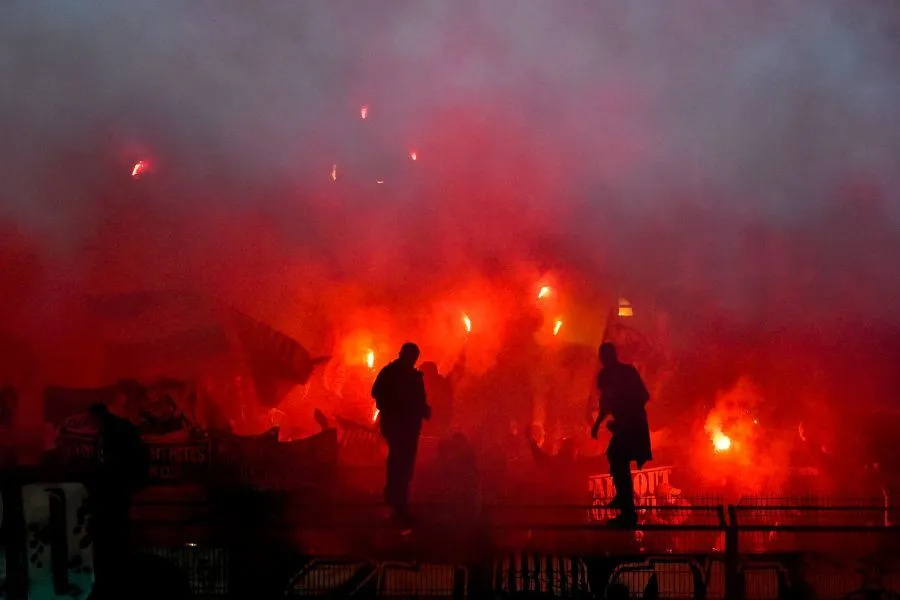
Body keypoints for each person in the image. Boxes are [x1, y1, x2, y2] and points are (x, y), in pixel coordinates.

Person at [87, 402, 149, 597]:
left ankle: (115, 563)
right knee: (118, 526)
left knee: (115, 527)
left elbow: (114, 460)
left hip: (118, 485)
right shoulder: (117, 427)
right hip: (121, 485)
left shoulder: (114, 430)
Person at [591, 342, 651, 527]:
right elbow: (607, 402)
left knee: (617, 456)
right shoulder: (614, 374)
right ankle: (625, 503)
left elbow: (642, 396)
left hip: (632, 424)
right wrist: (598, 423)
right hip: (627, 424)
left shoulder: (625, 373)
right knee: (616, 456)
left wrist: (624, 417)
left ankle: (627, 509)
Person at [371, 342, 431, 525]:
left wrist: (422, 409)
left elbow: (418, 399)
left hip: (408, 426)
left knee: (402, 462)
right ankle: (397, 501)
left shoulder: (411, 375)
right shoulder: (391, 373)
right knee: (400, 461)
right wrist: (396, 405)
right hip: (398, 425)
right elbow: (376, 393)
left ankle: (397, 499)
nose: (413, 359)